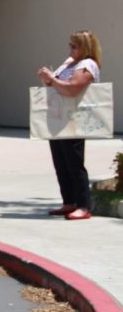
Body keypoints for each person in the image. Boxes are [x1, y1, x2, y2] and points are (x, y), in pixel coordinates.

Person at [37, 30, 102, 221]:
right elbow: (56, 85)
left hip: (74, 119)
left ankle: (83, 205)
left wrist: (52, 79)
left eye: (75, 45)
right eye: (70, 45)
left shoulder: (87, 65)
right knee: (60, 162)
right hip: (58, 119)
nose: (71, 49)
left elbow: (73, 89)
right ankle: (69, 202)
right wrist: (48, 79)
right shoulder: (69, 63)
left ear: (86, 48)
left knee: (74, 163)